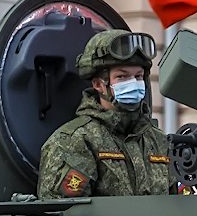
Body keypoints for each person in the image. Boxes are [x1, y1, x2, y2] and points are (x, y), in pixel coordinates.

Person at [35, 28, 179, 198]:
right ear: (98, 84)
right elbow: (65, 215)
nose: (133, 84)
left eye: (138, 76)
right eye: (122, 77)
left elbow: (180, 207)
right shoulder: (75, 141)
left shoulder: (158, 141)